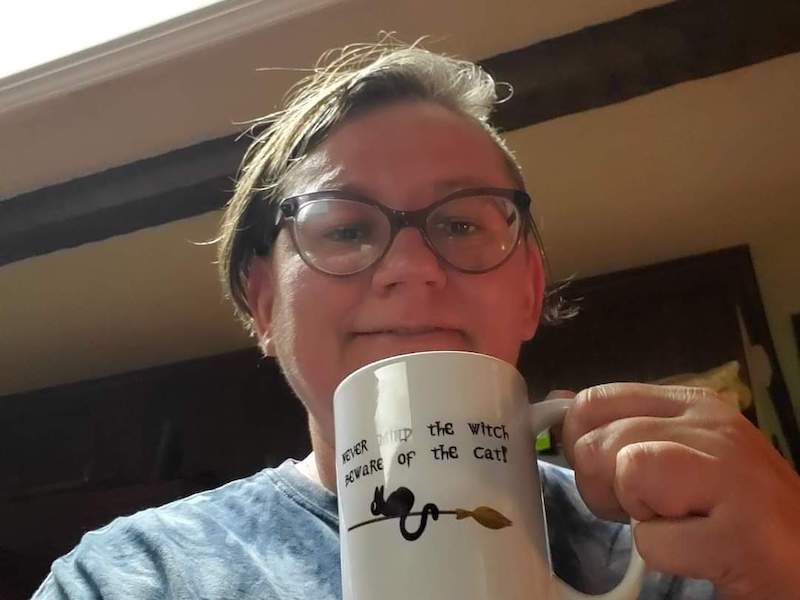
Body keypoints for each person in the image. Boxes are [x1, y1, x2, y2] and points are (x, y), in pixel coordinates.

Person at [33, 40, 800, 600]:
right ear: (263, 303)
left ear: (529, 290)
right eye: (345, 228)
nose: (412, 265)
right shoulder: (131, 577)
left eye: (462, 224)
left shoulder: (682, 543)